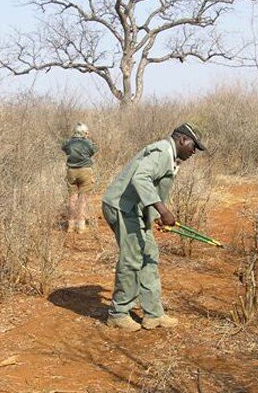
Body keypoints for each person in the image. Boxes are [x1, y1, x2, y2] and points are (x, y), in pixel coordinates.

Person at [101, 123, 206, 331]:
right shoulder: (161, 151)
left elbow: (151, 187)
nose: (194, 152)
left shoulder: (169, 156)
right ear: (182, 140)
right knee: (132, 258)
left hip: (135, 210)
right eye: (194, 146)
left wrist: (156, 215)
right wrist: (163, 210)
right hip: (122, 207)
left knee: (149, 254)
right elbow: (140, 177)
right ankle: (118, 313)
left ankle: (154, 314)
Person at [62, 123, 98, 233]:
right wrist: (87, 138)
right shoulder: (87, 143)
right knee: (83, 199)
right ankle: (81, 226)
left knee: (72, 198)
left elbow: (64, 148)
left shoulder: (68, 143)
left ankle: (71, 226)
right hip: (85, 171)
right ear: (85, 132)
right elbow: (93, 151)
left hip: (71, 172)